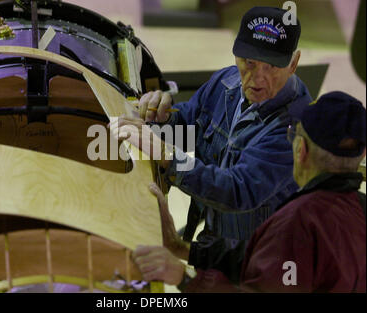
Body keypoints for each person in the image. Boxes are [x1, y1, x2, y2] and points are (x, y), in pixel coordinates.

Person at [111, 6, 311, 285]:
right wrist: (159, 116)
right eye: (249, 62)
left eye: (272, 67)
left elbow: (237, 189)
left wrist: (166, 154)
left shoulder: (293, 128)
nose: (257, 78)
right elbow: (190, 126)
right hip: (213, 243)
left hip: (257, 266)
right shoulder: (226, 81)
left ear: (294, 63)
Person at [136, 91, 366, 293]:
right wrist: (184, 249)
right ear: (362, 155)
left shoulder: (298, 222)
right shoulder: (359, 208)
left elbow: (234, 189)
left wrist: (184, 278)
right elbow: (267, 259)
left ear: (300, 149)